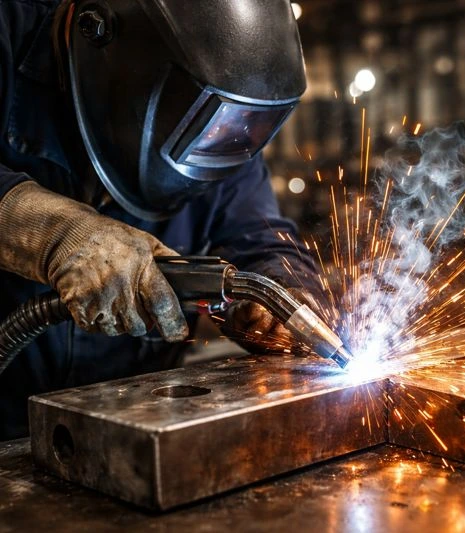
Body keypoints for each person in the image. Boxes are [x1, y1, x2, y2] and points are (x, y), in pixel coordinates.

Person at [0, 0, 323, 439]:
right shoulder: (10, 32)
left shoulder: (225, 118)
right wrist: (54, 234)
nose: (219, 136)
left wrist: (283, 293)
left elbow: (260, 237)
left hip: (137, 432)